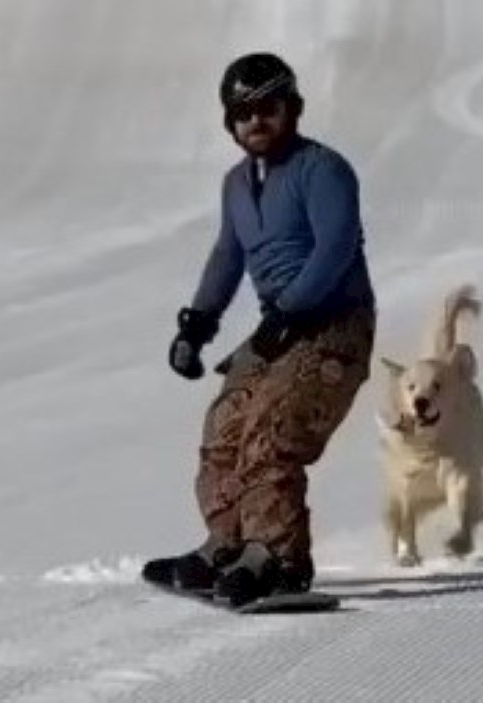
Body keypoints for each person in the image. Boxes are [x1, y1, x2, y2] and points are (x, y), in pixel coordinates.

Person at [141, 52, 377, 606]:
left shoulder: (323, 169)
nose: (256, 122)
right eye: (242, 113)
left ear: (290, 109)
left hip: (331, 326)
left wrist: (292, 311)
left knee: (272, 432)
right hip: (280, 326)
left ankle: (279, 559)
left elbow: (336, 247)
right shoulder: (236, 184)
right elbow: (228, 255)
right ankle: (229, 546)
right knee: (225, 427)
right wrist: (197, 326)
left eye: (267, 109)